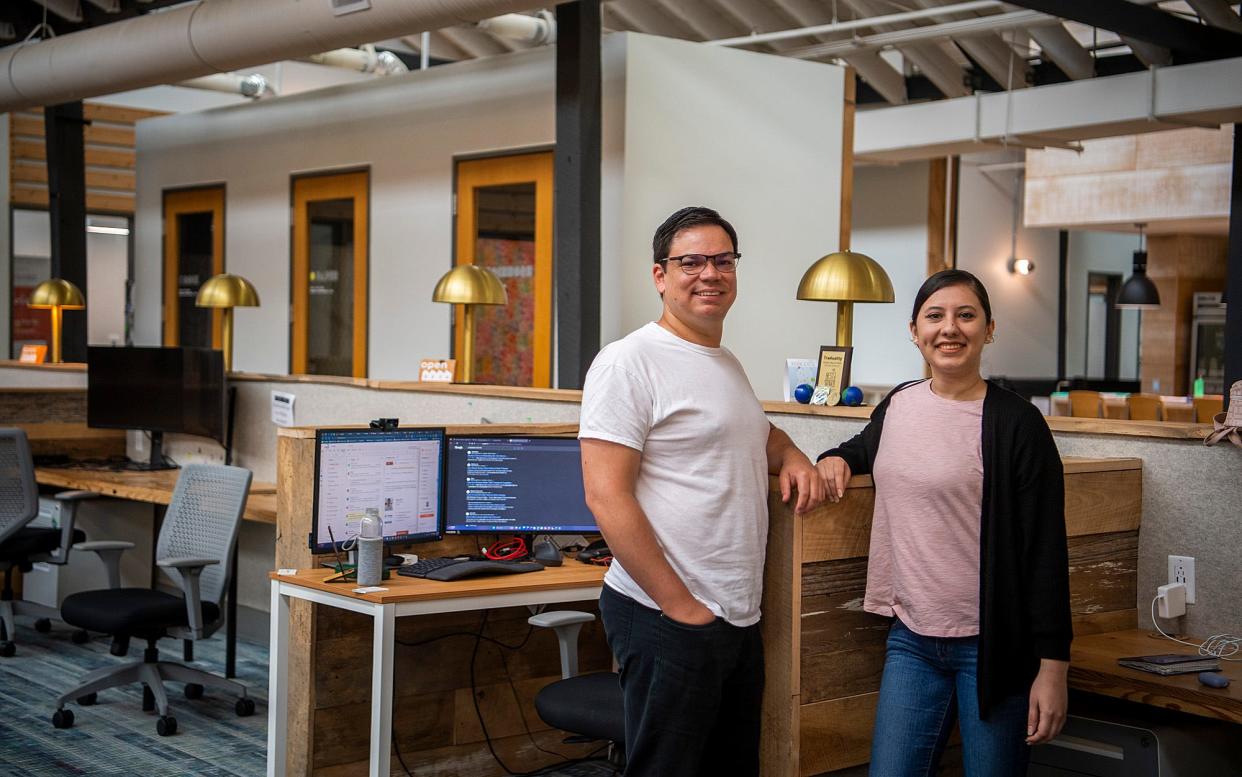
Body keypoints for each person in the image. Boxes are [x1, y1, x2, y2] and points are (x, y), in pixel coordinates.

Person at [578, 206, 825, 776]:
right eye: (691, 261)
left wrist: (791, 454)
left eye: (722, 260)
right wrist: (680, 607)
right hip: (668, 611)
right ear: (660, 275)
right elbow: (605, 496)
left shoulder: (723, 362)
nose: (709, 273)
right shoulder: (627, 362)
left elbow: (757, 435)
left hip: (734, 615)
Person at [815, 269, 1071, 776]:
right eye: (935, 316)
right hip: (911, 639)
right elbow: (863, 449)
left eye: (965, 315)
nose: (949, 328)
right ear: (915, 331)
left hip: (992, 645)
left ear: (989, 329)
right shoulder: (899, 404)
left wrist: (1053, 668)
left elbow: (1044, 551)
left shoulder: (1018, 424)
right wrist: (834, 458)